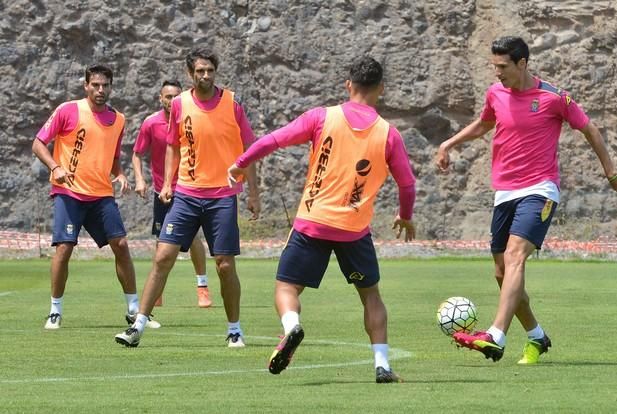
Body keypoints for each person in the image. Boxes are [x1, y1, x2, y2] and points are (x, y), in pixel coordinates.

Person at [436, 36, 617, 364]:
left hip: (540, 190)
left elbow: (591, 131)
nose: (497, 72)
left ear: (522, 63)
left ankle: (495, 335)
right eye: (494, 65)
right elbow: (484, 124)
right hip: (505, 192)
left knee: (515, 257)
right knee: (501, 272)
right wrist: (448, 144)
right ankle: (537, 337)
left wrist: (610, 174)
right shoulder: (495, 94)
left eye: (503, 66)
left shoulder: (555, 97)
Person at [228, 56, 416, 383]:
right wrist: (405, 216)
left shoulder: (321, 117)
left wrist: (241, 162)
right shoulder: (389, 134)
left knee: (287, 287)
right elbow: (408, 183)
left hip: (312, 223)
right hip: (354, 230)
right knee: (371, 295)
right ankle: (382, 365)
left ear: (348, 85)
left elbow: (274, 140)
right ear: (381, 89)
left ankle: (292, 328)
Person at [115, 49, 260, 348]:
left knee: (224, 265)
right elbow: (173, 146)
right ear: (190, 74)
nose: (205, 75)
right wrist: (167, 183)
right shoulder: (180, 104)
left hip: (222, 196)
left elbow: (250, 149)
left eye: (209, 70)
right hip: (186, 195)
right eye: (199, 71)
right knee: (162, 257)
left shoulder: (233, 103)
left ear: (215, 72)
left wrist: (253, 193)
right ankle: (138, 325)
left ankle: (234, 329)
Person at [32, 64, 159, 330]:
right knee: (64, 248)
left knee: (121, 245)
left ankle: (134, 309)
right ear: (86, 85)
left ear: (111, 87)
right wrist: (55, 167)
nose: (101, 90)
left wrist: (122, 174)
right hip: (69, 192)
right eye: (96, 85)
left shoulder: (119, 119)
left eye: (106, 86)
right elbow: (38, 143)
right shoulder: (68, 110)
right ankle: (55, 310)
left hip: (101, 194)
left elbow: (112, 157)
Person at [132, 80, 213, 308]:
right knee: (162, 242)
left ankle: (202, 287)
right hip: (163, 191)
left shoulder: (193, 117)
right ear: (160, 98)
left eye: (176, 96)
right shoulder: (151, 123)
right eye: (167, 97)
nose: (172, 101)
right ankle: (157, 292)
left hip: (189, 188)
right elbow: (137, 154)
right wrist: (139, 178)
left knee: (194, 238)